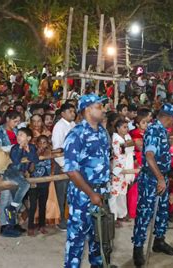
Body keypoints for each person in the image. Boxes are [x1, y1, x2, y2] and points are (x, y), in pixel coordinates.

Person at [63, 94, 110, 268]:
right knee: (76, 241)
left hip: (101, 192)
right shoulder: (76, 134)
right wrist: (91, 194)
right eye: (99, 106)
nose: (103, 109)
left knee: (99, 237)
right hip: (83, 195)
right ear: (88, 109)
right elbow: (71, 170)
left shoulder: (103, 132)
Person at [132, 104, 173, 267]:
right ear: (168, 118)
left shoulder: (163, 131)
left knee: (162, 211)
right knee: (145, 213)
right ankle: (137, 250)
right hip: (151, 179)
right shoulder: (153, 131)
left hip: (162, 177)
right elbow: (149, 156)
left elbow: (160, 155)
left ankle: (159, 241)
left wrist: (168, 170)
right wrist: (159, 178)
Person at [51, 103, 76, 231]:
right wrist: (63, 165)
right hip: (63, 164)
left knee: (71, 193)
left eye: (73, 111)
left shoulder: (73, 125)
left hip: (73, 164)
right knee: (61, 193)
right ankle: (61, 220)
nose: (73, 113)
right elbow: (56, 148)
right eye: (70, 111)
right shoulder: (59, 127)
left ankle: (70, 217)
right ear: (63, 113)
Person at [110, 119, 135, 226]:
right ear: (118, 128)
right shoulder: (115, 138)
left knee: (123, 192)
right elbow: (118, 153)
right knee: (114, 193)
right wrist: (126, 145)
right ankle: (113, 218)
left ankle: (122, 214)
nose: (126, 129)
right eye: (124, 127)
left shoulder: (128, 136)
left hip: (126, 167)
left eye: (127, 127)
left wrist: (127, 145)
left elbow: (130, 150)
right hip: (117, 169)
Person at [28, 135, 51, 236]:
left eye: (44, 142)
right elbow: (31, 169)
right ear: (36, 144)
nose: (42, 145)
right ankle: (30, 226)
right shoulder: (33, 153)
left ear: (47, 144)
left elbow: (51, 167)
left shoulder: (49, 154)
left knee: (43, 206)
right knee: (33, 206)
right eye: (40, 142)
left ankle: (42, 225)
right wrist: (35, 156)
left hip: (45, 183)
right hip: (34, 183)